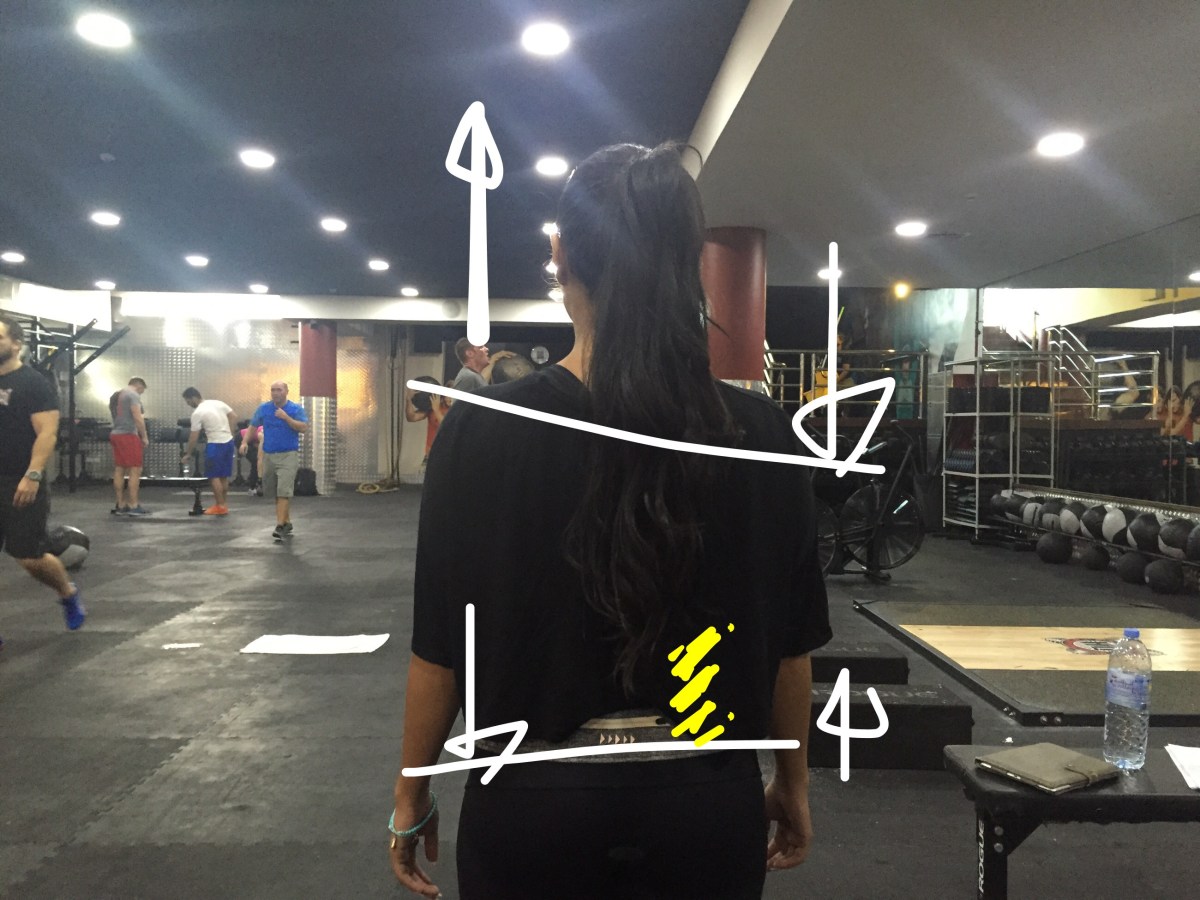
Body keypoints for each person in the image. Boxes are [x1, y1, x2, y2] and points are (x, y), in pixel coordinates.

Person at [389, 144, 830, 900]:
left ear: (561, 255)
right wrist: (793, 783)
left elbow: (440, 647)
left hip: (531, 809)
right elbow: (792, 648)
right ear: (687, 259)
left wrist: (411, 794)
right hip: (705, 806)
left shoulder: (481, 429)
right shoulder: (764, 435)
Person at [0, 314, 85, 641]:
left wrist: (33, 474)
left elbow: (47, 433)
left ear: (16, 344)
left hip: (19, 480)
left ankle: (67, 592)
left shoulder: (33, 384)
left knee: (28, 557)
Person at [241, 381, 308, 540]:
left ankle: (280, 525)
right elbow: (252, 426)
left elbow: (303, 427)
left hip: (288, 455)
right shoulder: (264, 408)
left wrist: (286, 418)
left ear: (286, 391)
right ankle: (286, 522)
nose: (275, 393)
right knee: (276, 492)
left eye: (279, 390)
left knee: (284, 490)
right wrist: (244, 442)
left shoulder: (295, 409)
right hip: (269, 455)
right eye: (273, 390)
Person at [181, 388, 238, 515]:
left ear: (193, 398)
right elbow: (234, 416)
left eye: (188, 401)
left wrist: (188, 453)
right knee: (223, 476)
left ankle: (220, 505)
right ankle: (223, 505)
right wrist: (230, 433)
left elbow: (194, 436)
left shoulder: (198, 413)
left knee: (213, 476)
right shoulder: (217, 403)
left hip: (215, 444)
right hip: (228, 442)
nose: (188, 404)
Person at [109, 375, 150, 516]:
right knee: (135, 470)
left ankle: (120, 504)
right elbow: (138, 417)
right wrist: (144, 436)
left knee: (119, 469)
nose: (140, 394)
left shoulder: (116, 395)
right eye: (141, 391)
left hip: (115, 434)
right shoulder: (132, 395)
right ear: (139, 386)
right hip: (128, 435)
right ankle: (133, 505)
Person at [405, 376, 450, 464]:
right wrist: (408, 400)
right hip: (430, 456)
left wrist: (436, 410)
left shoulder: (456, 411)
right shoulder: (431, 408)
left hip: (446, 457)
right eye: (449, 395)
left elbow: (448, 426)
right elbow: (411, 417)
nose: (450, 398)